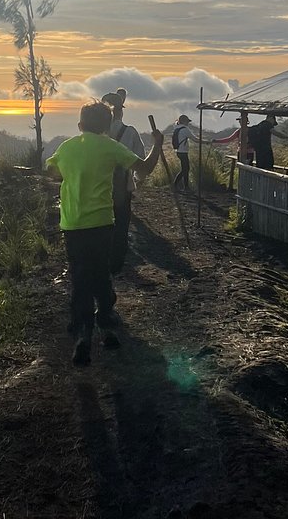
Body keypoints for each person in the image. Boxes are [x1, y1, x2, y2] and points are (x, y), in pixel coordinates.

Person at [46, 100, 163, 366]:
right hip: (101, 223)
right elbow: (144, 168)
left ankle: (82, 333)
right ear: (108, 126)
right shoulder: (111, 146)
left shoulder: (66, 147)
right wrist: (157, 143)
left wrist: (73, 176)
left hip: (72, 224)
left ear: (79, 125)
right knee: (101, 273)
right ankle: (107, 325)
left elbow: (52, 171)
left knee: (79, 275)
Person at [101, 90, 144, 275]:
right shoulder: (130, 132)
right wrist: (137, 180)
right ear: (121, 111)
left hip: (98, 186)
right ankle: (117, 262)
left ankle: (101, 257)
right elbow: (141, 159)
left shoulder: (94, 135)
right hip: (122, 187)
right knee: (121, 223)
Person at [171, 114, 200, 193]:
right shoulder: (185, 129)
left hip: (179, 151)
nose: (188, 123)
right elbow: (195, 139)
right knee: (185, 169)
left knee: (185, 169)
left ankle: (178, 186)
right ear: (184, 121)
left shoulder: (177, 128)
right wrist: (205, 142)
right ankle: (184, 187)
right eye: (187, 121)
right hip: (183, 152)